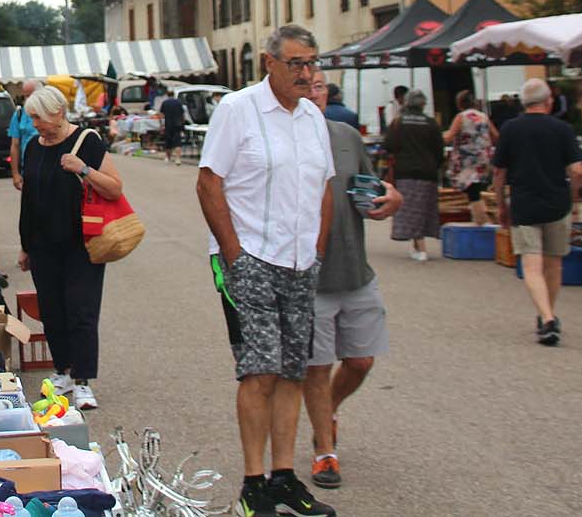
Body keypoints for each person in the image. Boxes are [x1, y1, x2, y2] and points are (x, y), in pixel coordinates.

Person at [197, 26, 336, 517]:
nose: (306, 73)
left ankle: (283, 477)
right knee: (259, 370)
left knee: (293, 371)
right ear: (269, 63)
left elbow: (324, 187)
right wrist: (234, 254)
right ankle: (253, 483)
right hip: (252, 257)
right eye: (296, 63)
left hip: (301, 263)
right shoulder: (238, 110)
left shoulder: (313, 118)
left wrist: (317, 250)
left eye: (312, 63)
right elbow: (209, 182)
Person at [303, 68, 401, 492]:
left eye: (320, 85)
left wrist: (391, 196)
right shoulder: (282, 141)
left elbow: (370, 188)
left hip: (355, 271)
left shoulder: (347, 136)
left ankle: (329, 411)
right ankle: (325, 451)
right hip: (310, 277)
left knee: (361, 361)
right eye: (305, 84)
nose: (314, 92)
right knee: (317, 368)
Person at [16, 84, 123, 412]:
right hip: (43, 245)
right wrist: (25, 246)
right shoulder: (34, 146)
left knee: (81, 311)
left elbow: (115, 189)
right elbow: (28, 200)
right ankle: (62, 370)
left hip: (82, 245)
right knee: (52, 312)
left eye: (38, 117)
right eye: (32, 117)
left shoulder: (87, 142)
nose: (34, 124)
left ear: (58, 112)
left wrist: (84, 169)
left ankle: (83, 380)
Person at [492, 78, 582, 346]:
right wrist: (573, 196)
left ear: (523, 103)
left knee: (532, 266)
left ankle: (546, 318)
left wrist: (500, 203)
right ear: (549, 101)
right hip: (558, 203)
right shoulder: (563, 129)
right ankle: (548, 314)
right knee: (554, 263)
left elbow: (499, 172)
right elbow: (578, 170)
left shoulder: (510, 129)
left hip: (524, 203)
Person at [384, 88, 444, 262]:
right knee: (424, 209)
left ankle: (420, 247)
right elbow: (439, 150)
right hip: (428, 172)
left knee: (410, 209)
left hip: (405, 171)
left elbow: (389, 145)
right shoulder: (431, 123)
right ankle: (419, 245)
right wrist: (437, 165)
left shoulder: (399, 122)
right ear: (423, 104)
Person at [444, 91, 498, 226]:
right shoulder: (484, 117)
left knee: (472, 191)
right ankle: (480, 217)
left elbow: (449, 137)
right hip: (483, 159)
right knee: (475, 189)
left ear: (459, 104)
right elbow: (496, 136)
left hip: (467, 160)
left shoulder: (461, 117)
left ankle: (481, 220)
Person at [8, 79, 42, 190]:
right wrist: (15, 174)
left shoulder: (49, 113)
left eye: (30, 95)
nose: (27, 100)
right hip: (28, 168)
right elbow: (15, 145)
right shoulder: (19, 115)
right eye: (25, 96)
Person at [158, 86, 187, 165]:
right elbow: (183, 114)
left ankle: (168, 157)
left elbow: (161, 115)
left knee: (168, 141)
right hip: (178, 124)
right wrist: (183, 123)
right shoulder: (179, 102)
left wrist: (161, 125)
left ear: (167, 95)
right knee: (178, 141)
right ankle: (178, 158)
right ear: (174, 94)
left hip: (168, 124)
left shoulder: (165, 103)